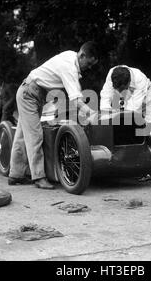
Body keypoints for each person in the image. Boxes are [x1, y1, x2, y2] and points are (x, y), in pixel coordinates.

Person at [8, 41, 99, 188]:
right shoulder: (69, 67)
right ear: (82, 55)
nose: (88, 68)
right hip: (30, 94)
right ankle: (39, 178)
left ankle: (15, 175)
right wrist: (92, 113)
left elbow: (72, 92)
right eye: (88, 64)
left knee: (22, 135)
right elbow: (76, 99)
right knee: (35, 135)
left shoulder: (70, 56)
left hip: (32, 92)